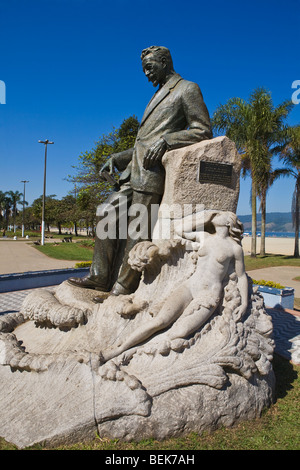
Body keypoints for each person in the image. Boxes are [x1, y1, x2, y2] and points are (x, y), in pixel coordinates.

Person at [68, 46, 212, 298]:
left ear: (165, 62)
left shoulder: (187, 89)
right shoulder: (158, 94)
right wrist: (116, 157)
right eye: (144, 68)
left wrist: (169, 140)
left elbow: (202, 130)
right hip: (132, 174)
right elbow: (142, 144)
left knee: (137, 231)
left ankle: (123, 286)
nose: (146, 74)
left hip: (151, 175)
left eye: (149, 67)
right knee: (106, 214)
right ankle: (100, 277)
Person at [100, 211, 248, 363]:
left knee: (180, 332)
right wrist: (206, 216)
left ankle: (133, 351)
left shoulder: (234, 248)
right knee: (160, 321)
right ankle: (119, 349)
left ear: (229, 222)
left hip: (208, 295)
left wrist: (244, 303)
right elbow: (180, 229)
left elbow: (241, 276)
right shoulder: (204, 237)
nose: (215, 215)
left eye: (218, 214)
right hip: (190, 286)